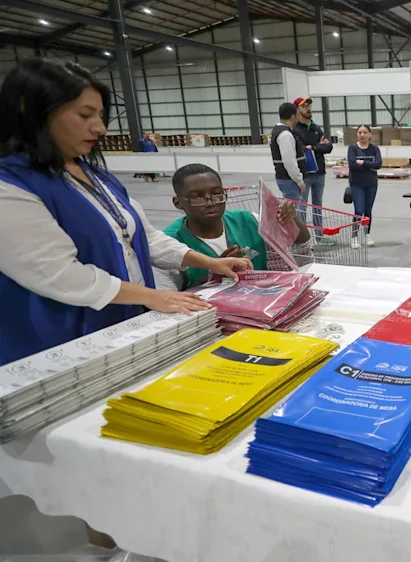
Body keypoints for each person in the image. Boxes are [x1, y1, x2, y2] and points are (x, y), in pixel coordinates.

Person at [0, 59, 251, 364]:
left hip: (121, 324)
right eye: (85, 115)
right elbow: (61, 276)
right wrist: (154, 297)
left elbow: (144, 237)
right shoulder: (12, 187)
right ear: (32, 112)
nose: (100, 128)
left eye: (101, 116)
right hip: (59, 339)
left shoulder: (95, 175)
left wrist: (209, 262)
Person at [161, 164, 310, 290]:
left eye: (217, 194)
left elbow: (302, 238)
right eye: (197, 197)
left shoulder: (249, 220)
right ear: (178, 203)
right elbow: (170, 298)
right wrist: (214, 272)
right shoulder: (167, 244)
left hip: (260, 301)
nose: (210, 202)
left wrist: (290, 217)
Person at [291, 97, 332, 228]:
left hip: (320, 172)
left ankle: (319, 235)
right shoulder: (295, 130)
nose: (308, 108)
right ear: (297, 110)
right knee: (302, 205)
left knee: (317, 204)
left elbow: (328, 146)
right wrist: (318, 146)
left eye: (309, 106)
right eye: (304, 106)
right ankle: (303, 238)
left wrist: (313, 147)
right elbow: (301, 149)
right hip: (305, 174)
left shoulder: (316, 128)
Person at [348, 125, 381, 248]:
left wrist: (363, 162)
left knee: (368, 211)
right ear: (357, 134)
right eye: (360, 132)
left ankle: (367, 234)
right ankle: (354, 237)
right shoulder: (352, 148)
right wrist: (369, 165)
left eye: (365, 132)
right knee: (359, 210)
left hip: (371, 184)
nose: (362, 135)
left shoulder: (374, 149)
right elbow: (352, 165)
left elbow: (378, 164)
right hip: (357, 184)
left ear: (369, 135)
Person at [271, 102, 307, 213]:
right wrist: (299, 180)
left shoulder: (280, 131)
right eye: (297, 114)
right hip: (289, 180)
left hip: (286, 179)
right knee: (294, 215)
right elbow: (289, 161)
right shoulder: (285, 134)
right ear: (293, 116)